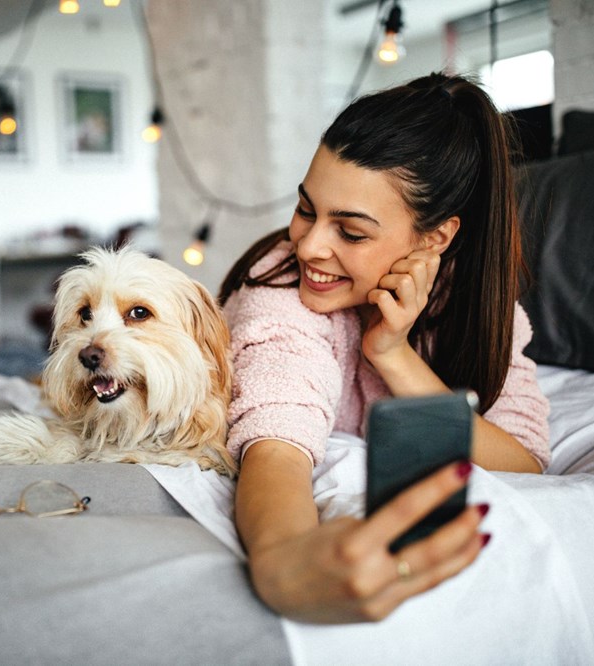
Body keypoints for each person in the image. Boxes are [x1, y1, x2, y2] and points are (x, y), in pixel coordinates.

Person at [217, 72, 550, 624]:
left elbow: (525, 461)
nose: (308, 245)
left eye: (350, 232)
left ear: (435, 239)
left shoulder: (475, 306)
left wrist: (393, 354)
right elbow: (275, 433)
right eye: (306, 209)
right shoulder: (278, 283)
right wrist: (281, 561)